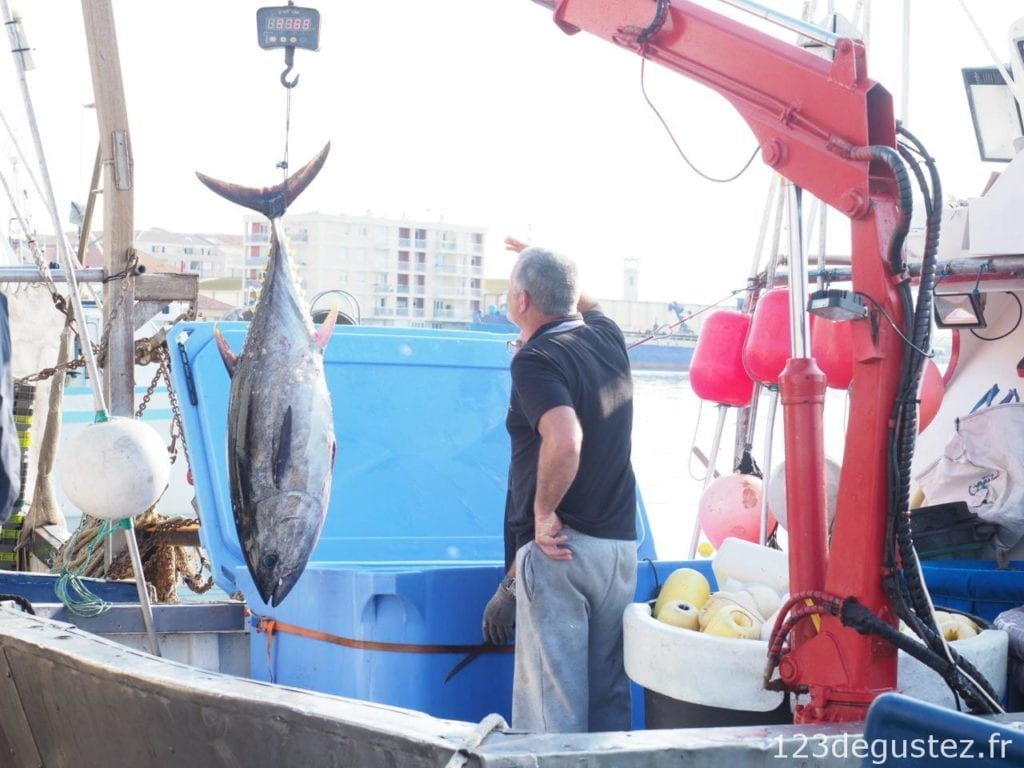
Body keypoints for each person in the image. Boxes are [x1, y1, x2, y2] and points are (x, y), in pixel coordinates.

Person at [482, 244, 638, 733]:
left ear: (523, 300)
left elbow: (566, 439)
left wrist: (543, 512)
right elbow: (576, 297)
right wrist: (544, 258)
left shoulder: (535, 360)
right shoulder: (608, 335)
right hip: (619, 553)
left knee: (553, 713)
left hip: (562, 553)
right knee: (609, 700)